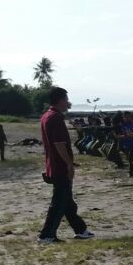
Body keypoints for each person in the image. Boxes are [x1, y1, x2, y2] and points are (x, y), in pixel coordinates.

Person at [38, 87, 94, 244]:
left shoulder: (47, 116)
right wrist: (69, 164)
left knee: (66, 201)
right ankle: (46, 235)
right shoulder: (55, 118)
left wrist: (69, 161)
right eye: (66, 100)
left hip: (55, 164)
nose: (68, 103)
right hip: (60, 167)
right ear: (61, 100)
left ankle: (81, 230)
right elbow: (59, 144)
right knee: (59, 202)